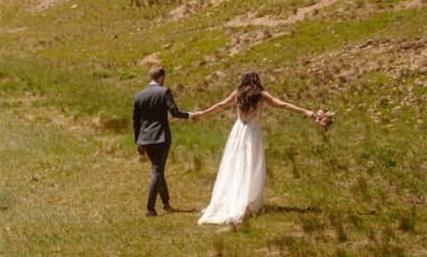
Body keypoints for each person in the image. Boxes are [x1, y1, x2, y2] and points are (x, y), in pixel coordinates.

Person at [191, 70, 324, 225]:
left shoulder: (238, 93)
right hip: (252, 132)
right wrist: (305, 112)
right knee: (250, 165)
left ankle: (234, 196)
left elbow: (220, 105)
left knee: (235, 164)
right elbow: (283, 105)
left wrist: (202, 114)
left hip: (238, 131)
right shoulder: (261, 94)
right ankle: (246, 198)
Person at [132, 66, 192, 217]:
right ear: (161, 77)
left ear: (150, 77)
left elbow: (136, 122)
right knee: (157, 170)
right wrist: (190, 115)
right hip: (161, 137)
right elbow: (175, 112)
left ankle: (166, 203)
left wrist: (138, 142)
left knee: (157, 169)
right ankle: (150, 208)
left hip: (145, 138)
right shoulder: (164, 91)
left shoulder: (138, 95)